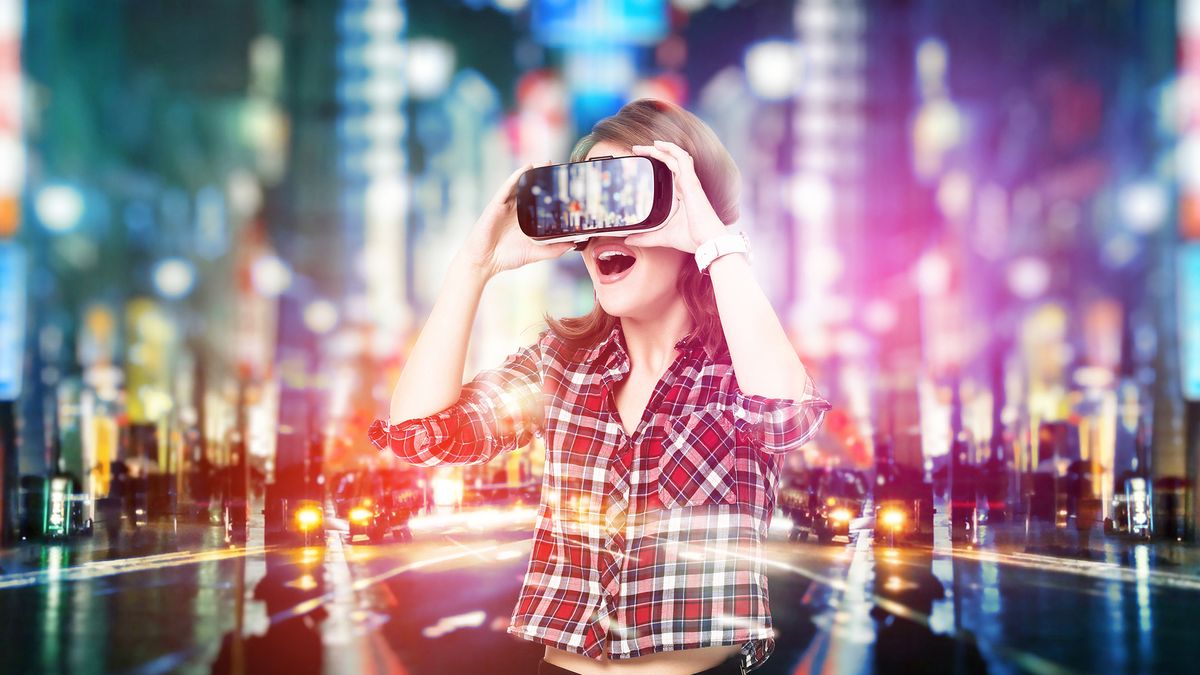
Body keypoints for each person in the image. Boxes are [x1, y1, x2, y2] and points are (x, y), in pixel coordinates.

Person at [369, 98, 831, 674]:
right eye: (590, 211)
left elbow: (784, 417)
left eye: (629, 202)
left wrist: (716, 240)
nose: (602, 234)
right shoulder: (562, 366)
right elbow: (419, 434)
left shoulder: (742, 368)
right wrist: (474, 265)